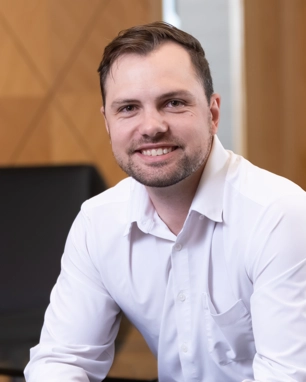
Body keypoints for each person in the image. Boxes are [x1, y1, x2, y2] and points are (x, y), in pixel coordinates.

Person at [25, 22, 306, 382]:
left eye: (174, 103)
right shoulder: (98, 222)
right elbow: (63, 361)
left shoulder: (280, 216)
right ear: (108, 123)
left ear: (213, 113)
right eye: (128, 108)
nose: (152, 126)